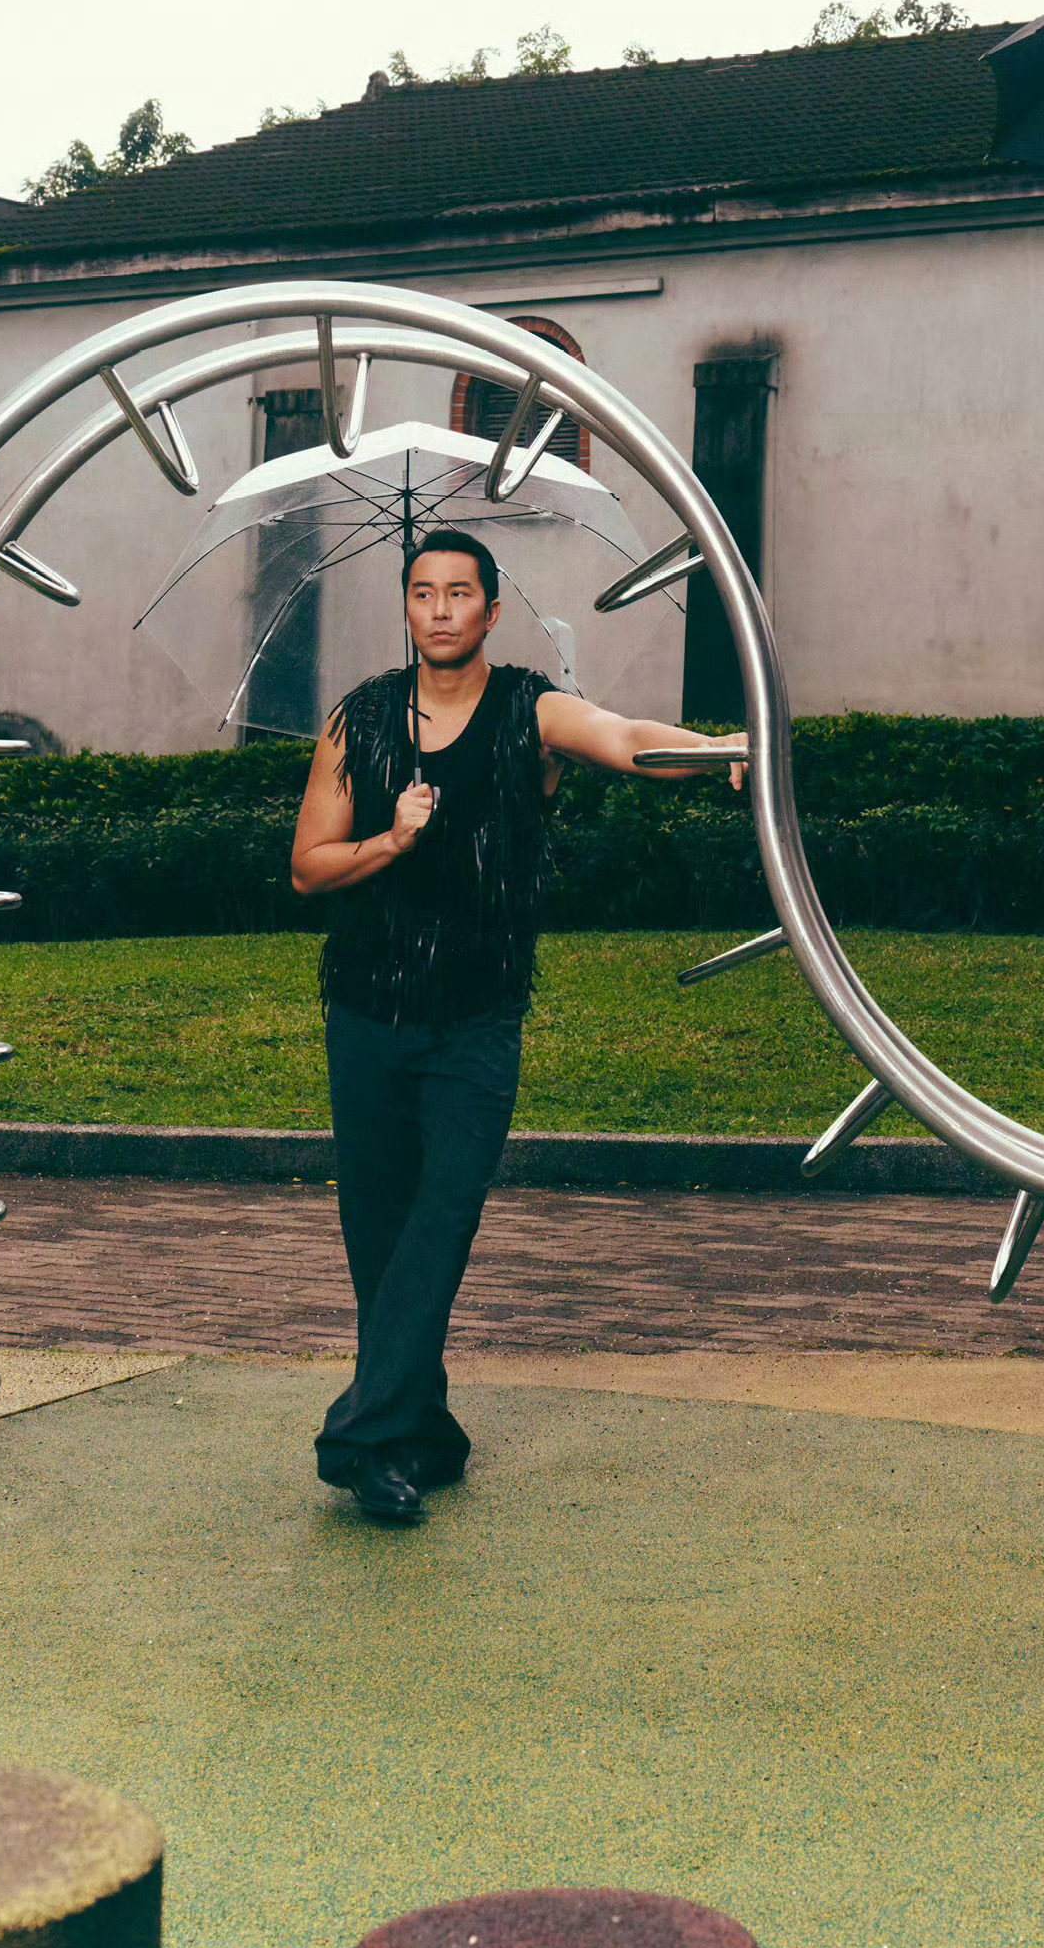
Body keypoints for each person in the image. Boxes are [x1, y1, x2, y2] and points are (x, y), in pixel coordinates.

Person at [289, 528, 742, 1525]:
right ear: (406, 609)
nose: (440, 610)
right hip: (366, 1012)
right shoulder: (360, 720)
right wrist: (389, 839)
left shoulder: (529, 712)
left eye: (460, 593)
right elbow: (308, 867)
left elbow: (623, 739)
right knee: (378, 1234)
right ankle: (423, 1435)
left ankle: (362, 1441)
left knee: (442, 1218)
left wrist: (717, 752)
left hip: (476, 1020)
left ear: (491, 611)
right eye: (423, 593)